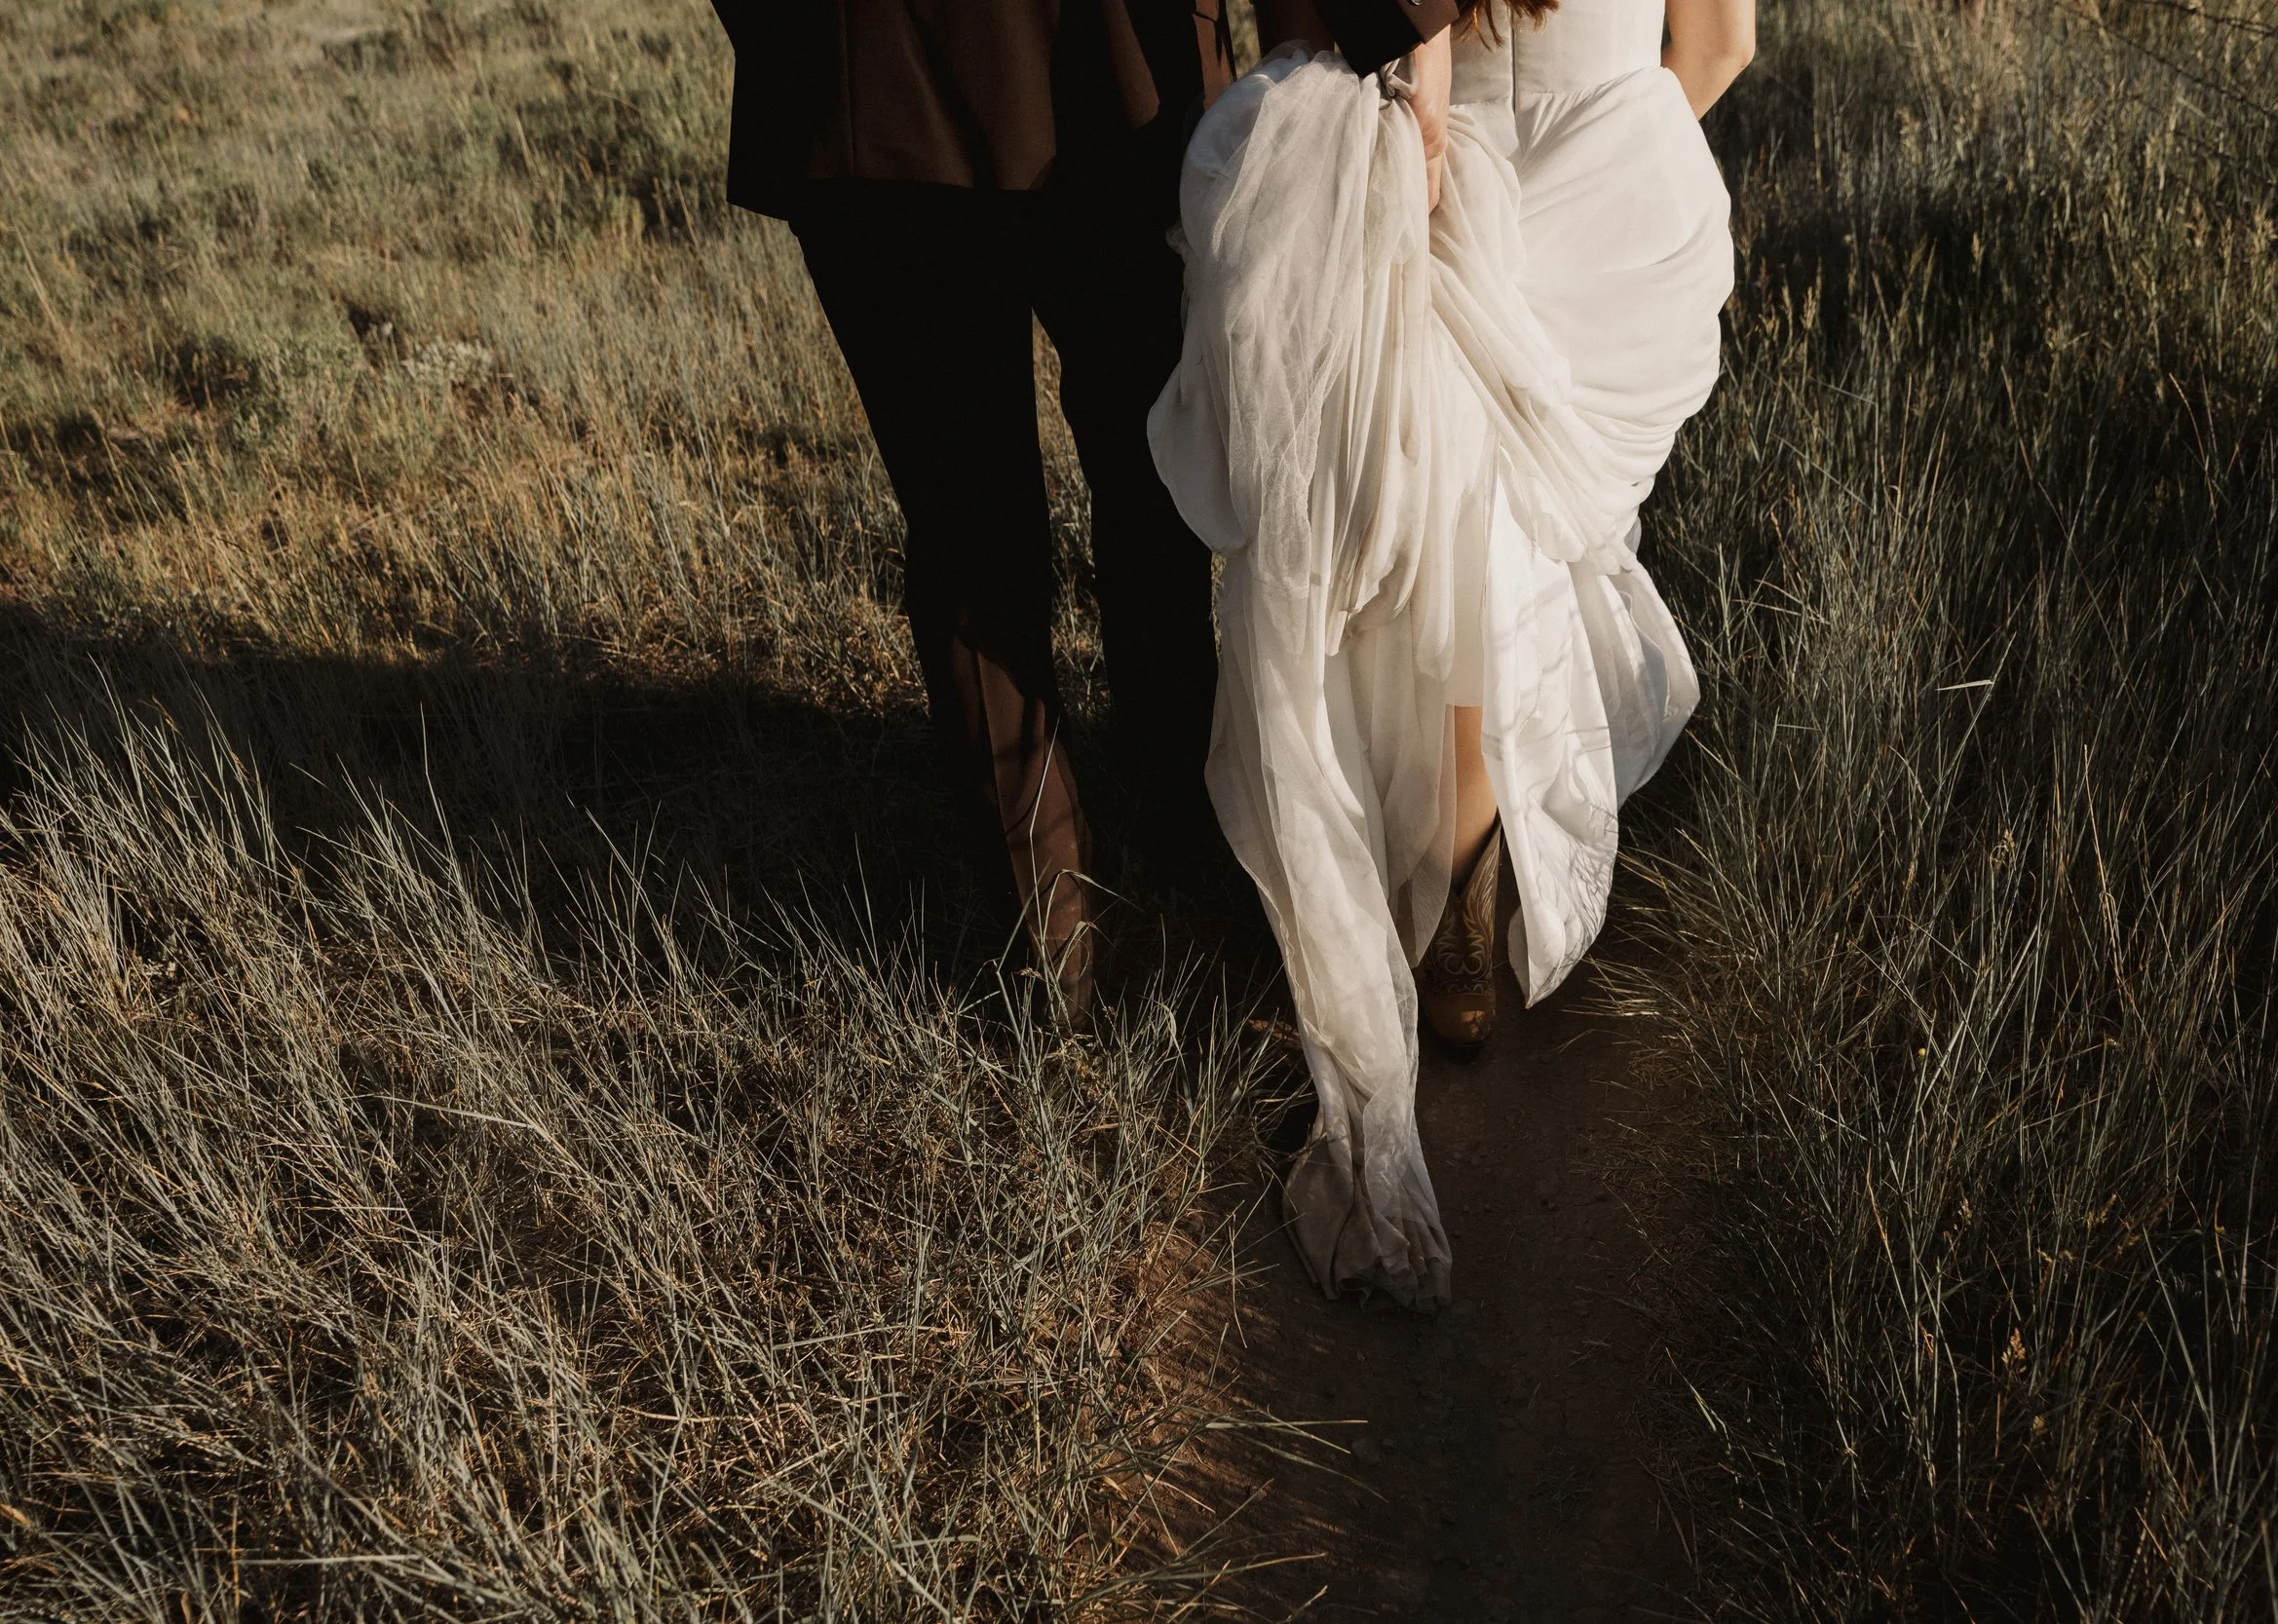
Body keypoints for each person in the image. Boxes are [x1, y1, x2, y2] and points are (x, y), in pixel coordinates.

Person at [1149, 0, 1754, 1306]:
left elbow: (1318, 18)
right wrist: (1598, 173)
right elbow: (1718, 50)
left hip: (1431, 170)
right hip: (1609, 186)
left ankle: (1412, 868)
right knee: (1528, 554)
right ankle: (1468, 878)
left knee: (1404, 564)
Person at [703, 0, 1470, 1016]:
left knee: (992, 506)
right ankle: (1169, 825)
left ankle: (1055, 928)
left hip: (874, 73)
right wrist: (1404, 28)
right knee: (1144, 457)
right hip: (1096, 69)